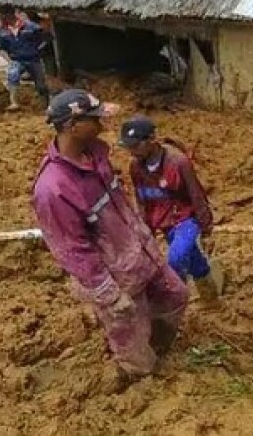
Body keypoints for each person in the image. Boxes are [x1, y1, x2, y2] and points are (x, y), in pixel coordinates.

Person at [31, 89, 189, 380]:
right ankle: (131, 374)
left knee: (176, 295)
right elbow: (72, 250)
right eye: (94, 119)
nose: (102, 124)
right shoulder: (53, 189)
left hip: (141, 255)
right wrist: (109, 295)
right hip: (117, 277)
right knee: (137, 354)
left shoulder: (97, 154)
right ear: (72, 126)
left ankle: (155, 343)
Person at [120, 116, 223, 306]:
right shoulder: (136, 166)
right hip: (162, 221)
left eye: (135, 146)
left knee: (175, 259)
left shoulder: (178, 162)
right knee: (193, 258)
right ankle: (211, 296)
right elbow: (141, 199)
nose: (132, 151)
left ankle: (175, 303)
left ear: (151, 140)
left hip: (185, 219)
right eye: (129, 147)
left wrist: (206, 225)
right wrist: (145, 228)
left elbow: (196, 194)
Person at [0, 6, 51, 110]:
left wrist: (38, 50)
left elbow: (46, 38)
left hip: (33, 58)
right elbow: (0, 48)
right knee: (12, 75)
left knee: (40, 82)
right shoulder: (1, 32)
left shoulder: (31, 27)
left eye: (2, 15)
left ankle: (45, 104)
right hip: (17, 59)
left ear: (10, 14)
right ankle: (14, 102)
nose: (1, 18)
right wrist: (8, 59)